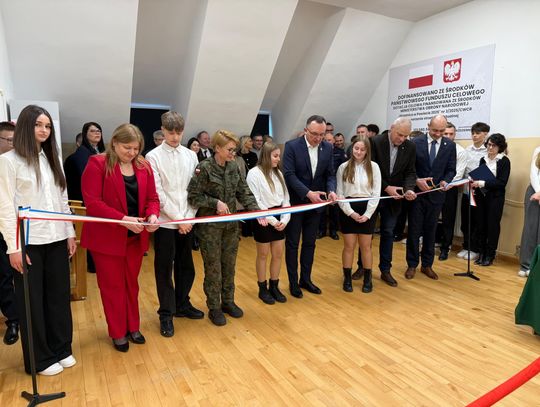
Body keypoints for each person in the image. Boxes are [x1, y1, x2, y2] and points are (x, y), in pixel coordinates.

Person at [0, 105, 77, 375]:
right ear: (25, 126)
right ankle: (40, 359)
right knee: (32, 302)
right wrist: (14, 248)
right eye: (38, 125)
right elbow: (5, 207)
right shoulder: (8, 161)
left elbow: (63, 200)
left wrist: (69, 232)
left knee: (58, 297)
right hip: (28, 241)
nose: (44, 130)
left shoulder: (51, 158)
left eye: (47, 126)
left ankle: (62, 348)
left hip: (56, 237)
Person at [81, 123, 160, 352]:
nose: (132, 153)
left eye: (136, 148)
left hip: (135, 238)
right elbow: (93, 203)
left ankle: (133, 326)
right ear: (114, 143)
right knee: (112, 287)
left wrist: (153, 215)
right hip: (107, 240)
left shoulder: (143, 166)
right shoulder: (97, 164)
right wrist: (122, 219)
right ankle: (117, 332)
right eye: (127, 148)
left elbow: (152, 198)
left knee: (131, 285)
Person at [187, 130, 264, 326]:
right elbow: (193, 196)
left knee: (229, 266)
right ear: (217, 148)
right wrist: (215, 203)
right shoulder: (204, 168)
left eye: (234, 149)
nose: (233, 153)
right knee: (214, 268)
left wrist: (257, 212)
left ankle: (228, 301)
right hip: (210, 229)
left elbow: (243, 191)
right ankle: (214, 307)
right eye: (230, 149)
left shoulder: (233, 166)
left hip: (231, 227)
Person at [146, 112, 204, 338]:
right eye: (170, 132)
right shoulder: (153, 156)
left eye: (179, 132)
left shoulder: (191, 155)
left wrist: (188, 217)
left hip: (187, 220)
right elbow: (157, 193)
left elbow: (195, 189)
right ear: (163, 130)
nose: (175, 137)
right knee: (164, 269)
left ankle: (182, 304)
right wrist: (178, 219)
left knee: (186, 266)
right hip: (165, 222)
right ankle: (166, 313)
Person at [354, 117, 417, 286]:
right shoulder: (374, 142)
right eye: (400, 134)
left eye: (406, 136)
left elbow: (410, 172)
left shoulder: (410, 147)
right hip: (372, 196)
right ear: (391, 128)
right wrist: (386, 187)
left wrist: (409, 189)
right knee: (366, 234)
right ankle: (362, 267)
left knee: (388, 233)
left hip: (393, 199)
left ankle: (385, 270)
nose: (402, 139)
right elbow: (367, 169)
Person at [283, 115, 337, 298]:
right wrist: (308, 193)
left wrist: (331, 191)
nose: (318, 138)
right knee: (292, 244)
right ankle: (293, 282)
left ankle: (305, 279)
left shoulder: (327, 147)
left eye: (322, 134)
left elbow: (330, 174)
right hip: (297, 203)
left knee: (310, 244)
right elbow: (289, 175)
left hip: (316, 206)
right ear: (306, 130)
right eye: (314, 134)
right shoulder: (291, 146)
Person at [405, 114, 456, 281]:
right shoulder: (415, 143)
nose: (438, 134)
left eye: (441, 131)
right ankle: (412, 264)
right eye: (435, 130)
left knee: (430, 231)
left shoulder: (450, 145)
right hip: (417, 195)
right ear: (428, 126)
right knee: (414, 231)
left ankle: (427, 265)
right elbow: (409, 168)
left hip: (436, 196)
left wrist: (446, 180)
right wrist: (417, 180)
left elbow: (451, 169)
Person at [246, 142, 290, 304]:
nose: (278, 159)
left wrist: (284, 219)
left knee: (278, 254)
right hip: (263, 218)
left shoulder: (279, 173)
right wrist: (273, 220)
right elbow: (256, 201)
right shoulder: (254, 174)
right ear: (266, 155)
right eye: (275, 156)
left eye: (279, 156)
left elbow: (286, 199)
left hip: (279, 218)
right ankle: (262, 288)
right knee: (263, 255)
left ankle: (274, 286)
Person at [337, 137, 381, 293]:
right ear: (352, 148)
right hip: (348, 209)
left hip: (368, 209)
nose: (359, 152)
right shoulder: (343, 167)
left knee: (366, 247)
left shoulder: (374, 167)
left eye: (362, 149)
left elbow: (376, 193)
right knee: (349, 246)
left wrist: (368, 214)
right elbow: (340, 194)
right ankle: (347, 278)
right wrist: (351, 213)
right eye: (356, 148)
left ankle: (368, 279)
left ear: (367, 151)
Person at [470, 133, 510, 266]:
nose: (490, 147)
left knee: (492, 226)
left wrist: (482, 183)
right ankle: (481, 253)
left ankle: (490, 255)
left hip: (495, 198)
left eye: (494, 145)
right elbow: (480, 175)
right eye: (489, 144)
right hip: (482, 196)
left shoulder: (504, 161)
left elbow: (501, 183)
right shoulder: (483, 159)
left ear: (500, 147)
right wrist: (474, 180)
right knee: (481, 225)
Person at [457, 122, 490, 261]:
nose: (474, 136)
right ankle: (466, 246)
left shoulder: (488, 150)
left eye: (478, 133)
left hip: (480, 192)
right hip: (466, 190)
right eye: (473, 133)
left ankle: (475, 249)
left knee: (477, 221)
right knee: (466, 220)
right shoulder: (467, 149)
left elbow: (490, 170)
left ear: (485, 134)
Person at [0, 121, 19, 345]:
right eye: (9, 140)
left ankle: (18, 318)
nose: (14, 144)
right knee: (3, 276)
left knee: (13, 274)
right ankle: (13, 318)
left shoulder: (18, 164)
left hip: (16, 228)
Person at [438, 122, 467, 260]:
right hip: (433, 188)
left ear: (455, 135)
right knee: (430, 218)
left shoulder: (460, 151)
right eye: (446, 134)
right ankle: (428, 245)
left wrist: (446, 183)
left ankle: (445, 248)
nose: (448, 136)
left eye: (451, 134)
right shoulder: (436, 147)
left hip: (450, 189)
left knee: (448, 220)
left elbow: (459, 173)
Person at [64, 121, 106, 201]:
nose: (97, 133)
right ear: (85, 134)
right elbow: (86, 176)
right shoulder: (82, 152)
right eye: (92, 131)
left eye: (99, 131)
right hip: (83, 198)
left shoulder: (97, 151)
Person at [319, 132, 346, 240]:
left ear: (333, 141)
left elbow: (344, 168)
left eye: (329, 140)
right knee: (321, 209)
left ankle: (333, 231)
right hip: (321, 183)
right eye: (325, 140)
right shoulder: (320, 151)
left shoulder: (340, 152)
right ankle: (321, 230)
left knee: (334, 209)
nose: (327, 142)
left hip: (334, 183)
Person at [518, 146, 540, 277]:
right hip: (534, 191)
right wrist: (538, 191)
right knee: (530, 228)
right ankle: (526, 264)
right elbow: (534, 173)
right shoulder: (538, 150)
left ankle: (537, 266)